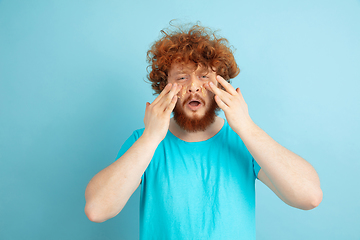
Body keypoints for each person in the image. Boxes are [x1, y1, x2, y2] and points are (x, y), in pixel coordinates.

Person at [84, 23, 323, 239]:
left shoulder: (244, 140)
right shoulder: (144, 142)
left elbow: (309, 197)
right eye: (182, 77)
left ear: (219, 86)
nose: (194, 87)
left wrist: (246, 127)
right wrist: (150, 137)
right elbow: (97, 210)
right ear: (164, 87)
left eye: (204, 76)